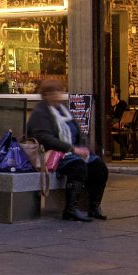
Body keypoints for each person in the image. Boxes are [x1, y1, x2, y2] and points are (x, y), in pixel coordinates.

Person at [26, 75, 109, 221]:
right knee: (78, 166)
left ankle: (94, 207)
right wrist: (72, 149)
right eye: (55, 92)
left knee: (99, 167)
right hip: (53, 155)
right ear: (46, 95)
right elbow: (45, 138)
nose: (59, 95)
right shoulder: (40, 113)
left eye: (60, 91)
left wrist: (83, 148)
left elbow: (78, 133)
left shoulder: (63, 110)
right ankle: (71, 209)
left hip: (71, 151)